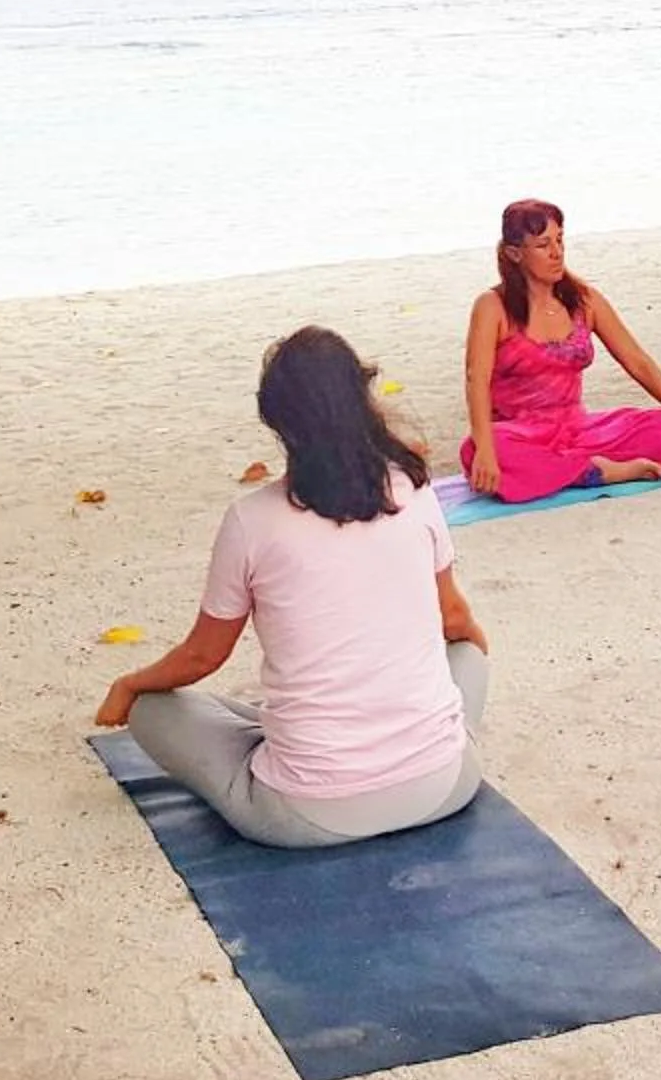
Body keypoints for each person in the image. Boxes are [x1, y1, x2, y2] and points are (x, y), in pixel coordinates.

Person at [95, 327, 490, 846]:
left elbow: (201, 658)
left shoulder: (250, 520)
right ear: (362, 398)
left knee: (153, 708)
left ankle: (305, 737)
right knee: (467, 656)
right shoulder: (414, 490)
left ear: (279, 422)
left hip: (307, 815)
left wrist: (130, 684)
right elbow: (456, 622)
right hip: (445, 787)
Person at [461, 198, 661, 501]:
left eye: (560, 240)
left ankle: (574, 468)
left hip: (579, 429)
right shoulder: (492, 307)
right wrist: (487, 453)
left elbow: (638, 362)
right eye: (544, 245)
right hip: (521, 433)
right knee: (477, 448)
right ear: (514, 253)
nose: (557, 253)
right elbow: (475, 379)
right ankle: (600, 472)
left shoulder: (584, 300)